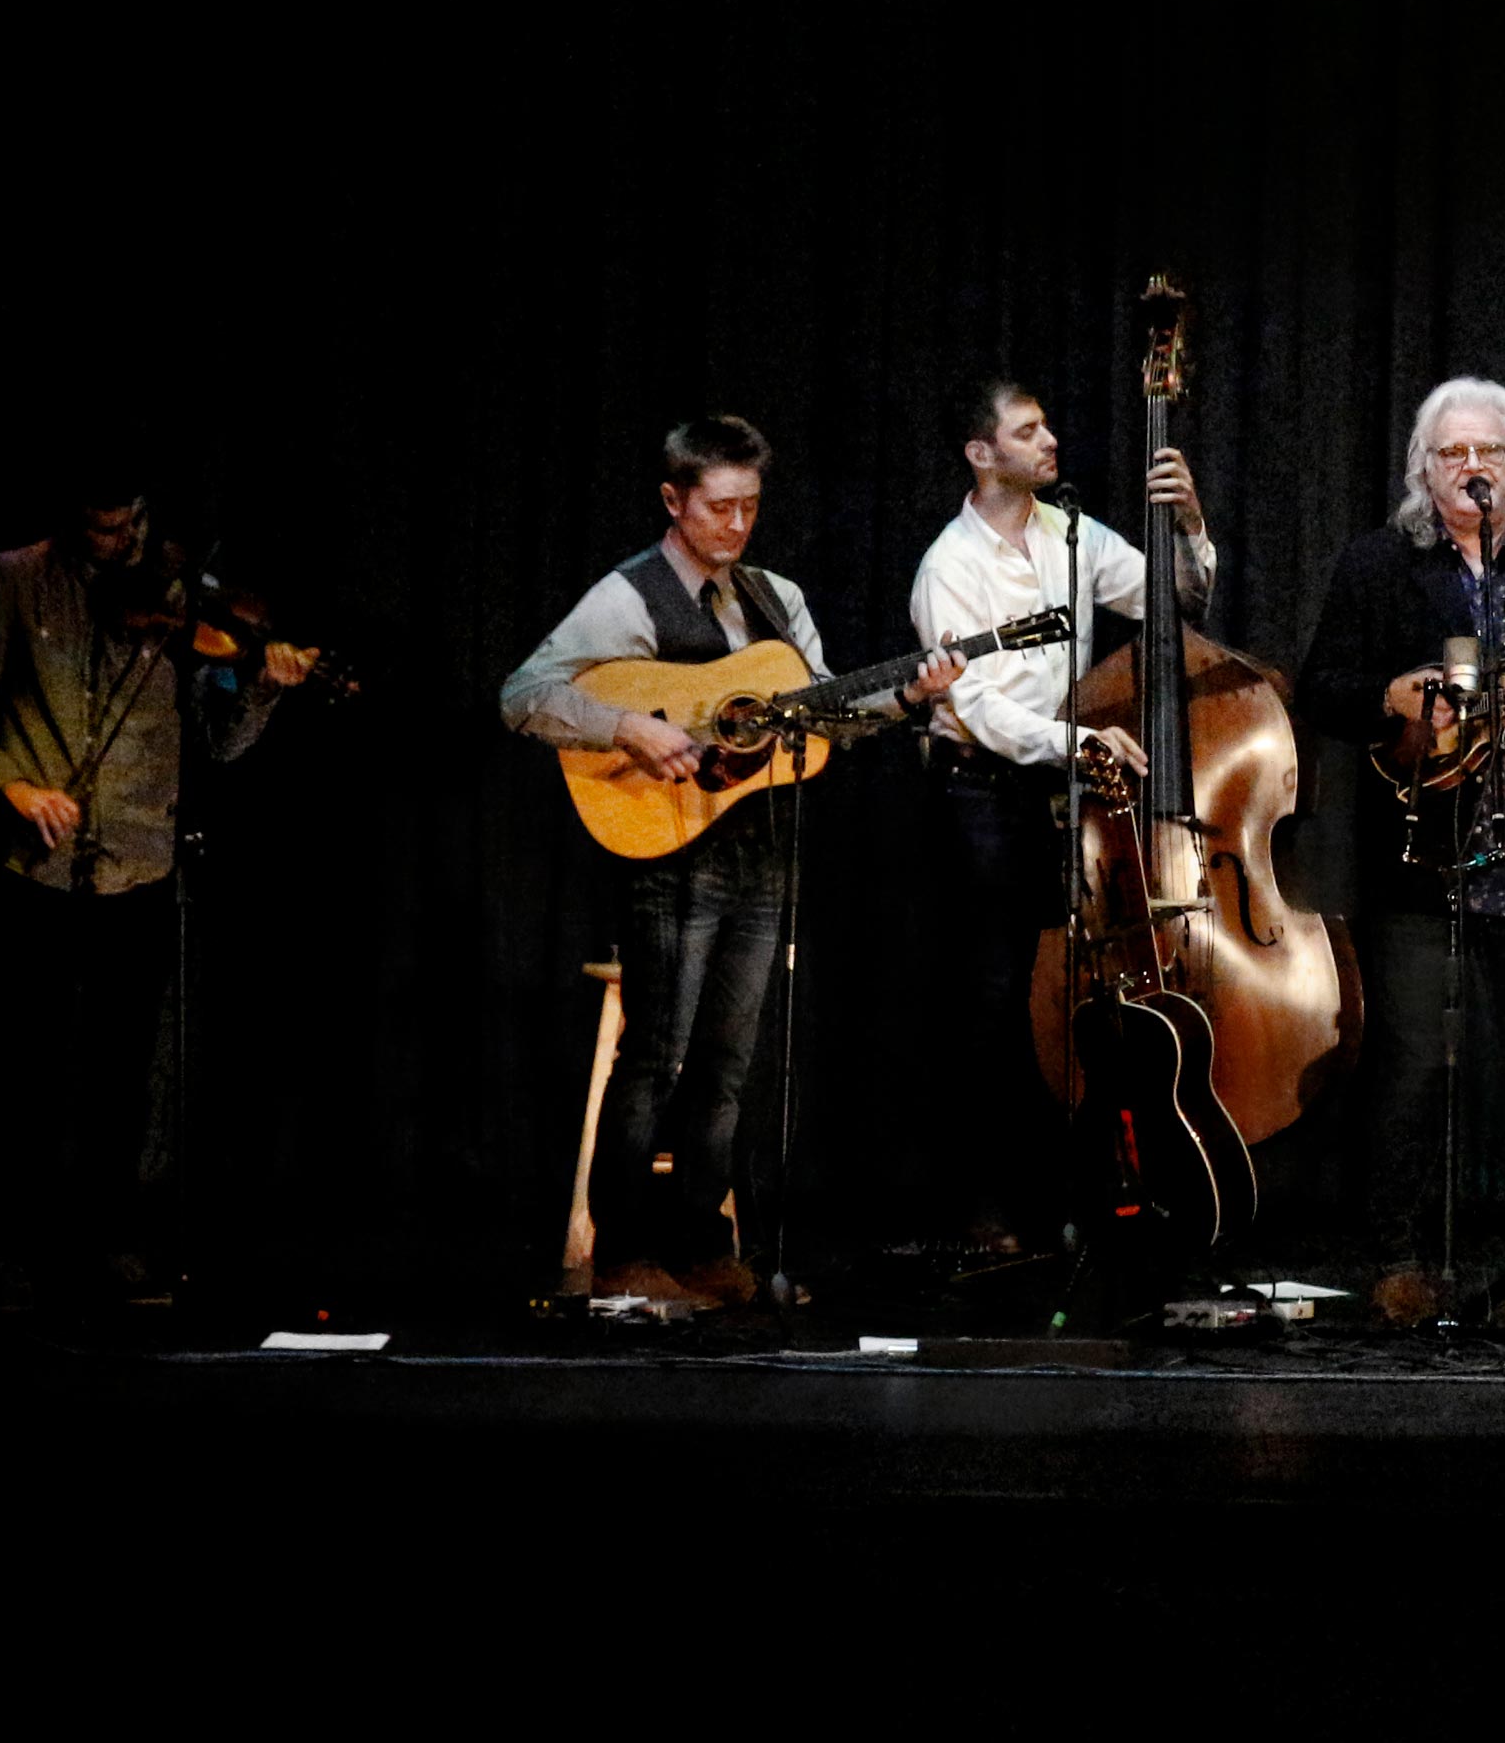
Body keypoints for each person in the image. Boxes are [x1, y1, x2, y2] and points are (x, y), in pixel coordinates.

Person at [500, 415, 948, 1302]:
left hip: (760, 849)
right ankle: (625, 1246)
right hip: (669, 850)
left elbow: (821, 716)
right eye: (719, 507)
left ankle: (702, 1240)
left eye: (750, 506)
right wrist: (626, 723)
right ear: (674, 500)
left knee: (729, 1060)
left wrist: (902, 697)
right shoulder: (628, 597)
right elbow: (524, 695)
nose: (737, 525)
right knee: (657, 1053)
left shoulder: (775, 598)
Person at [0, 476, 318, 1298]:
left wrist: (261, 690)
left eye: (127, 527)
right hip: (34, 864)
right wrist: (14, 786)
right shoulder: (17, 577)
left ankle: (108, 1241)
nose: (116, 546)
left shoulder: (183, 593)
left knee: (124, 1076)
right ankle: (15, 1247)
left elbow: (219, 743)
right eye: (99, 531)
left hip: (142, 859)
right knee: (24, 1070)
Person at [1301, 378, 1505, 1293]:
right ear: (1422, 468)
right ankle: (1398, 1255)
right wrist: (1387, 696)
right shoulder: (1376, 565)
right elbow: (1320, 685)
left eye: (1490, 451)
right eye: (1453, 452)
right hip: (1418, 859)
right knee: (1409, 1065)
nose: (1473, 467)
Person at [904, 377, 1213, 1254]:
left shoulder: (1070, 533)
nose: (1049, 441)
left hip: (1056, 795)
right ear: (980, 453)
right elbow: (982, 711)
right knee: (992, 1003)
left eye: (1047, 425)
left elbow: (1174, 602)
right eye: (1027, 430)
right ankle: (975, 1207)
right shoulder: (949, 567)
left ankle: (1064, 1195)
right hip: (979, 794)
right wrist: (1080, 741)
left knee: (1062, 996)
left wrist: (1186, 523)